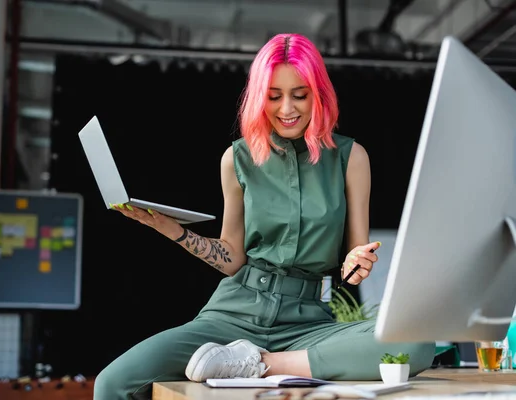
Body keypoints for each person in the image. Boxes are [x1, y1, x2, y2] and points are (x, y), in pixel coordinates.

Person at [93, 33, 435, 400]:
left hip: (308, 325)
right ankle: (242, 360)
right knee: (112, 383)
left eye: (299, 95)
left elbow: (354, 260)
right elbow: (231, 258)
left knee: (415, 344)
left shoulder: (352, 158)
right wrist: (172, 230)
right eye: (274, 96)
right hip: (231, 316)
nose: (287, 107)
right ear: (259, 97)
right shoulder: (236, 159)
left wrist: (357, 260)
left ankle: (261, 363)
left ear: (318, 94)